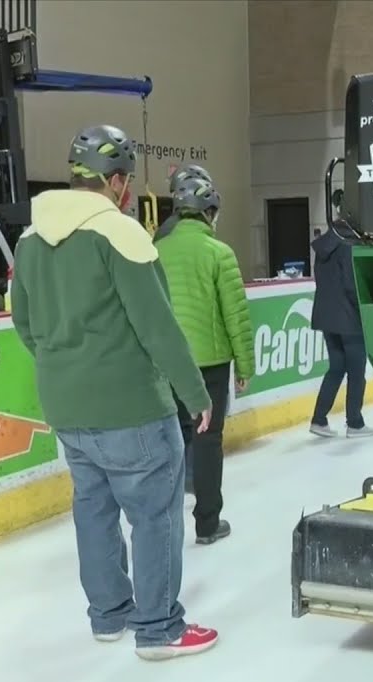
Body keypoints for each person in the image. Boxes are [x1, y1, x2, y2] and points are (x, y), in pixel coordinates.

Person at [9, 124, 219, 661]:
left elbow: (25, 324)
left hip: (68, 408)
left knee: (93, 509)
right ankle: (159, 628)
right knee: (153, 515)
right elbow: (158, 327)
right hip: (131, 408)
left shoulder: (30, 239)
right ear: (119, 181)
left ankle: (109, 617)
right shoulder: (121, 233)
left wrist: (69, 369)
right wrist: (195, 393)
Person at [154, 172, 253, 545]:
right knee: (208, 440)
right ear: (209, 213)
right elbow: (236, 315)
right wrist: (245, 365)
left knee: (170, 438)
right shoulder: (219, 253)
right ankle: (207, 523)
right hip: (209, 364)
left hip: (165, 362)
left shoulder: (155, 250)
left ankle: (164, 526)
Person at [308, 205, 373, 438]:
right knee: (357, 371)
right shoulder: (348, 245)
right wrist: (364, 310)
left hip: (326, 317)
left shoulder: (325, 245)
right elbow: (351, 285)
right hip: (349, 319)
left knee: (336, 368)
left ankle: (319, 419)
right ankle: (355, 423)